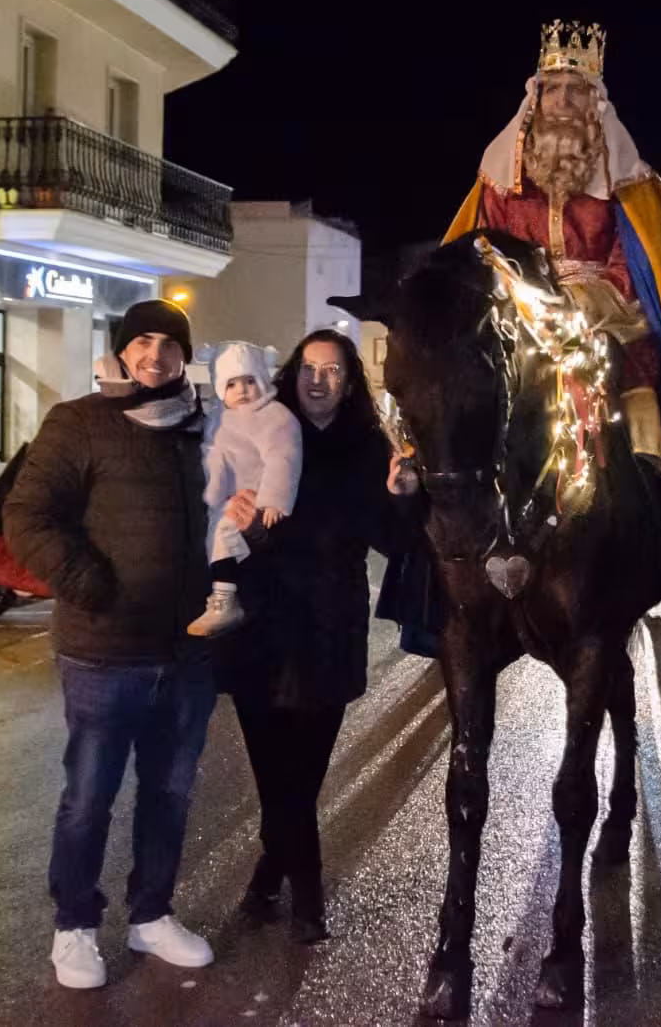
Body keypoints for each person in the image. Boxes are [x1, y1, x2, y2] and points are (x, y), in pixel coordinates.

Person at [5, 299, 217, 989]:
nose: (155, 355)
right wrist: (88, 583)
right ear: (123, 351)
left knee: (170, 794)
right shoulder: (80, 422)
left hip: (187, 656)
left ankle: (151, 913)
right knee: (89, 797)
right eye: (142, 342)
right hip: (103, 650)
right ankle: (74, 925)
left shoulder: (202, 427)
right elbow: (26, 516)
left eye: (170, 344)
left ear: (187, 355)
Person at [440, 19, 661, 486]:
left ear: (594, 101)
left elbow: (637, 259)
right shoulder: (501, 181)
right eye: (552, 89)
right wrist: (525, 303)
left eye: (575, 90)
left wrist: (589, 302)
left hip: (610, 321)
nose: (562, 101)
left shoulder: (626, 179)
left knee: (660, 407)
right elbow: (484, 253)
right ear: (535, 99)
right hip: (521, 318)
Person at [216, 329, 401, 944]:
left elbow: (391, 541)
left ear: (350, 382)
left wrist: (402, 496)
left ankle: (287, 885)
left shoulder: (367, 447)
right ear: (292, 373)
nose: (319, 381)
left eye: (334, 370)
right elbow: (225, 506)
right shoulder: (266, 429)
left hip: (329, 628)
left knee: (304, 773)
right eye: (310, 368)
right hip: (264, 630)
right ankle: (293, 888)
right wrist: (241, 524)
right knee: (274, 773)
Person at [188, 342, 302, 637]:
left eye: (250, 381)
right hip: (228, 499)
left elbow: (283, 457)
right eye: (232, 383)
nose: (242, 390)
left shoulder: (274, 416)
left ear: (263, 380)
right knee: (214, 537)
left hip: (257, 497)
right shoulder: (218, 418)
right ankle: (223, 595)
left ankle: (225, 597)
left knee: (226, 535)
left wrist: (274, 499)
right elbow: (212, 454)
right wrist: (211, 496)